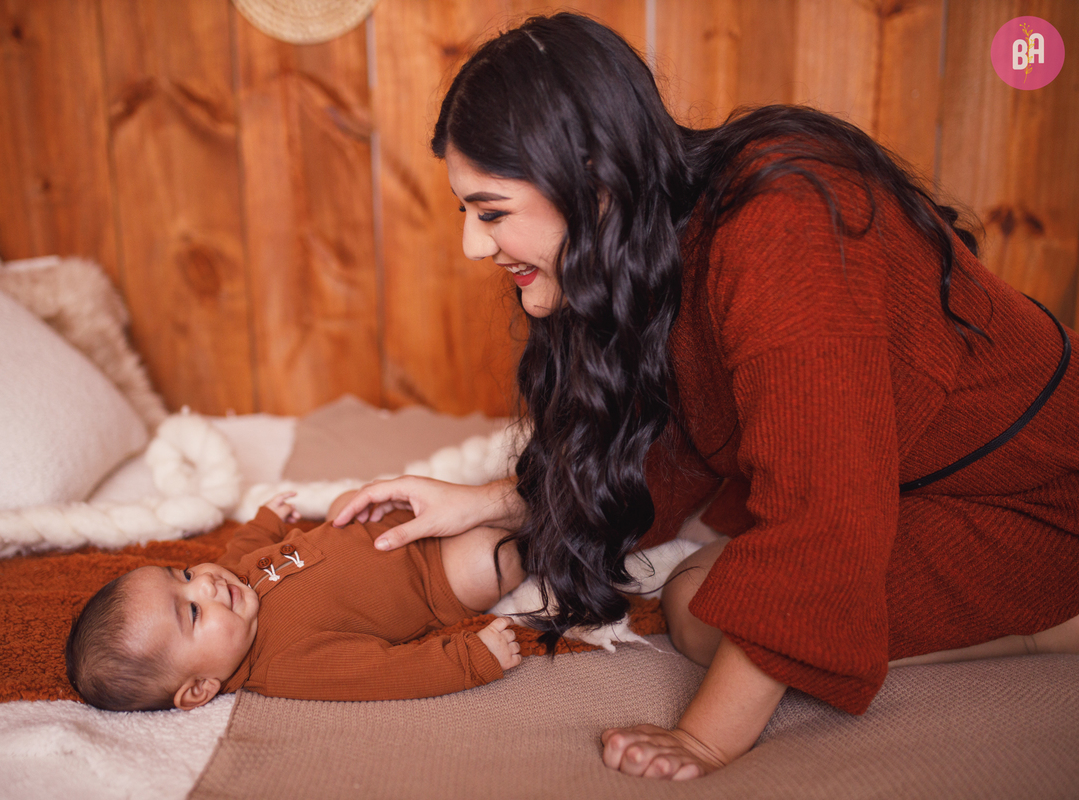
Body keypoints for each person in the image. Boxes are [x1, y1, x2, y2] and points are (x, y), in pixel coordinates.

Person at [330, 11, 1079, 782]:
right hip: (916, 484)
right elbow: (675, 446)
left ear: (593, 180)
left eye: (491, 212)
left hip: (1043, 499)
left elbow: (824, 513)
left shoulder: (784, 226)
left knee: (704, 613)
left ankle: (1058, 621)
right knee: (702, 598)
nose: (472, 245)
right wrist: (496, 501)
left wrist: (706, 740)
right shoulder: (661, 240)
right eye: (466, 212)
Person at [65, 492, 524, 711]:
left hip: (388, 523)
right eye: (191, 612)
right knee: (493, 558)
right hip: (434, 576)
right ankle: (544, 529)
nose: (204, 584)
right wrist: (473, 659)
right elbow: (386, 674)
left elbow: (241, 547)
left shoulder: (227, 582)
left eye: (182, 574)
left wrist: (267, 520)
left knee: (349, 501)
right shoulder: (286, 664)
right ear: (200, 687)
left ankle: (502, 498)